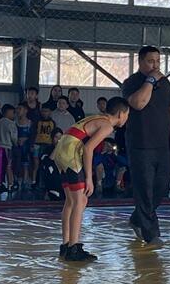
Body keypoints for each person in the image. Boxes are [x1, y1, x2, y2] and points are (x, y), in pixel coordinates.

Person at [121, 46, 170, 246]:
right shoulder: (131, 83)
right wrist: (149, 81)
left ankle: (137, 218)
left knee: (161, 187)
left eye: (158, 61)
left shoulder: (165, 83)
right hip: (140, 145)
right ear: (140, 62)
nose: (155, 65)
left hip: (163, 145)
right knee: (144, 189)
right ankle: (151, 234)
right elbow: (138, 103)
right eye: (150, 61)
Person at [53, 97, 130, 261]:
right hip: (71, 150)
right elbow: (88, 149)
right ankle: (74, 248)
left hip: (61, 148)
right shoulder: (107, 125)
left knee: (71, 201)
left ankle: (66, 245)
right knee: (80, 200)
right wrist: (89, 178)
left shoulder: (98, 118)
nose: (127, 118)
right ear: (120, 114)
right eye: (127, 114)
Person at [0, 104, 17, 192]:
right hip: (7, 146)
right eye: (13, 112)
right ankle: (10, 184)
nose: (14, 115)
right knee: (8, 166)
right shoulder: (11, 123)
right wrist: (16, 143)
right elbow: (14, 138)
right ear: (8, 112)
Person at [32, 105, 56, 181]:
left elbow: (53, 134)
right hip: (37, 144)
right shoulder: (37, 122)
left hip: (48, 145)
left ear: (50, 112)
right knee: (36, 165)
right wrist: (32, 144)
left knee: (45, 164)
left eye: (46, 111)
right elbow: (33, 133)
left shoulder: (52, 122)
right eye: (43, 111)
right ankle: (34, 181)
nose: (44, 113)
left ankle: (43, 182)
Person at [15, 102, 33, 189]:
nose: (18, 111)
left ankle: (25, 180)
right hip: (17, 145)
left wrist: (27, 140)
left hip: (26, 146)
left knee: (26, 163)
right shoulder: (15, 122)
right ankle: (16, 180)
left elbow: (32, 135)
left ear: (25, 110)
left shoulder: (30, 123)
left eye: (20, 109)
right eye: (17, 109)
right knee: (16, 162)